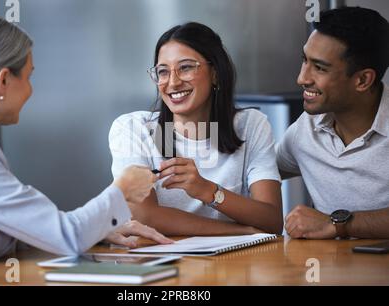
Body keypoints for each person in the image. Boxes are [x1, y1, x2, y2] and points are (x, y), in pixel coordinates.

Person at [0, 14, 172, 276]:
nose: (31, 90)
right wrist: (123, 189)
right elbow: (68, 236)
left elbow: (5, 226)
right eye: (28, 78)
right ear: (3, 80)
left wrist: (97, 228)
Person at [109, 22, 283, 236]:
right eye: (163, 72)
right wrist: (241, 231)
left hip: (232, 265)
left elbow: (272, 220)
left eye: (186, 67)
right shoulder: (134, 129)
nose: (172, 82)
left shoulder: (250, 125)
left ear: (216, 73)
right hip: (160, 261)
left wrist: (207, 190)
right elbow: (145, 216)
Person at [277, 7, 389, 239]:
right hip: (329, 271)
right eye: (304, 60)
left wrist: (337, 223)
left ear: (362, 80)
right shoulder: (305, 128)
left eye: (319, 68)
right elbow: (257, 173)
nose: (302, 78)